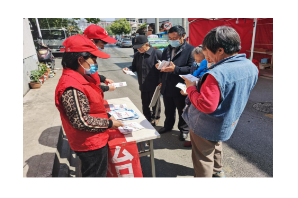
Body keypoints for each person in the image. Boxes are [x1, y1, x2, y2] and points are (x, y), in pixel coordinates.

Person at [181, 26, 259, 177]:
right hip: (227, 120)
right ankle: (218, 172)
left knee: (203, 158)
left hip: (205, 123)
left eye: (208, 53)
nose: (207, 58)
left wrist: (191, 88)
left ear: (220, 50)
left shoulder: (216, 74)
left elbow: (206, 105)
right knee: (216, 145)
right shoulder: (250, 66)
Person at [55, 35, 124, 177]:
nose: (96, 63)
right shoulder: (71, 86)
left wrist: (107, 115)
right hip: (90, 143)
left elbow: (92, 106)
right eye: (93, 59)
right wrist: (110, 123)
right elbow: (81, 121)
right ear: (80, 60)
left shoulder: (80, 77)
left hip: (94, 138)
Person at [155, 25, 195, 141]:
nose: (172, 41)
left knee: (182, 110)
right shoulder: (167, 49)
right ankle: (168, 126)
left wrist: (175, 69)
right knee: (168, 109)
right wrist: (160, 70)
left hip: (181, 87)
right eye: (170, 38)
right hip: (167, 85)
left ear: (183, 36)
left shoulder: (190, 50)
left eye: (175, 38)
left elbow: (191, 69)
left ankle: (184, 130)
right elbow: (164, 63)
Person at [123, 35, 162, 126]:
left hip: (155, 84)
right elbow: (133, 67)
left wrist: (161, 81)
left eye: (140, 47)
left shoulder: (157, 53)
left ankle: (156, 117)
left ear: (147, 44)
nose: (138, 49)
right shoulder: (137, 55)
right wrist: (128, 69)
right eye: (136, 48)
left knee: (155, 102)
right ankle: (147, 117)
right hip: (143, 83)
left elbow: (164, 69)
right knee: (145, 102)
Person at [83, 24, 117, 92]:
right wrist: (106, 88)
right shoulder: (82, 58)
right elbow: (86, 86)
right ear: (92, 41)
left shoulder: (88, 55)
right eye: (102, 44)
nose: (102, 48)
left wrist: (103, 79)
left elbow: (90, 73)